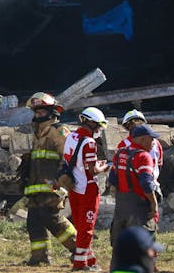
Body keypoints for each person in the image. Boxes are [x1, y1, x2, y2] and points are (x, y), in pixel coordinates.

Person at [18, 92, 77, 265]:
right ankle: (39, 257)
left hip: (52, 185)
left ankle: (80, 249)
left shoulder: (58, 131)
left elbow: (67, 158)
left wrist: (60, 182)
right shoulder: (38, 134)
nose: (38, 115)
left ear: (52, 112)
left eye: (42, 112)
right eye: (36, 112)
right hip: (36, 187)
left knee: (52, 219)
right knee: (34, 221)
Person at [108, 124, 160, 270]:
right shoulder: (143, 157)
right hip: (139, 209)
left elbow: (112, 179)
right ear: (143, 139)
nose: (153, 143)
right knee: (141, 245)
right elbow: (146, 183)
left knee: (120, 246)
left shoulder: (120, 153)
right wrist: (153, 203)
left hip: (121, 209)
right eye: (151, 139)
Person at [64, 107, 110, 271]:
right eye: (98, 126)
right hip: (88, 188)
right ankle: (79, 264)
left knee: (80, 225)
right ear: (91, 123)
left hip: (73, 187)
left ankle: (90, 260)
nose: (99, 130)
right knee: (87, 228)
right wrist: (105, 167)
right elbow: (92, 170)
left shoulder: (71, 137)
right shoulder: (89, 143)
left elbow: (73, 161)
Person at [117, 110, 163, 199]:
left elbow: (119, 169)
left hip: (130, 190)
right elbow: (159, 165)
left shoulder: (123, 145)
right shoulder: (156, 143)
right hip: (151, 187)